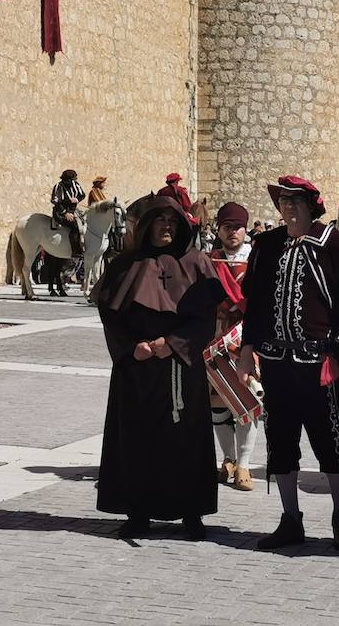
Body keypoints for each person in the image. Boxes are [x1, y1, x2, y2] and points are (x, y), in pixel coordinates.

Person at [239, 176, 339, 554]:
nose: (288, 207)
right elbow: (254, 303)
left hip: (318, 362)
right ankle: (290, 519)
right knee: (280, 441)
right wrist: (245, 348)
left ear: (312, 206)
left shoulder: (335, 246)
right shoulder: (267, 245)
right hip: (275, 362)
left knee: (329, 441)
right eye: (283, 201)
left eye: (296, 201)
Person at [92, 196, 223, 540]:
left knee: (186, 441)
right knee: (136, 440)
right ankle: (138, 513)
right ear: (147, 224)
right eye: (160, 219)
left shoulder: (197, 263)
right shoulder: (124, 265)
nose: (166, 226)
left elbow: (205, 320)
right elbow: (110, 315)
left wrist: (173, 344)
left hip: (180, 367)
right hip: (136, 367)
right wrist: (131, 347)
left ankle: (192, 513)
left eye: (173, 221)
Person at [206, 201, 258, 491]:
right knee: (217, 400)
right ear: (219, 229)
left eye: (237, 227)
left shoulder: (257, 260)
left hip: (246, 339)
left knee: (247, 402)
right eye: (227, 227)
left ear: (245, 229)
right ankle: (226, 459)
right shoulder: (209, 260)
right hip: (215, 337)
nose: (232, 232)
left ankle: (244, 464)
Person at [51, 169, 86, 259]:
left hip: (73, 210)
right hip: (60, 212)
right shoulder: (58, 186)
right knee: (74, 225)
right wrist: (65, 213)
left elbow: (82, 195)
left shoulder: (76, 185)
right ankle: (75, 250)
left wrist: (77, 199)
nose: (74, 181)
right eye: (73, 179)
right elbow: (56, 202)